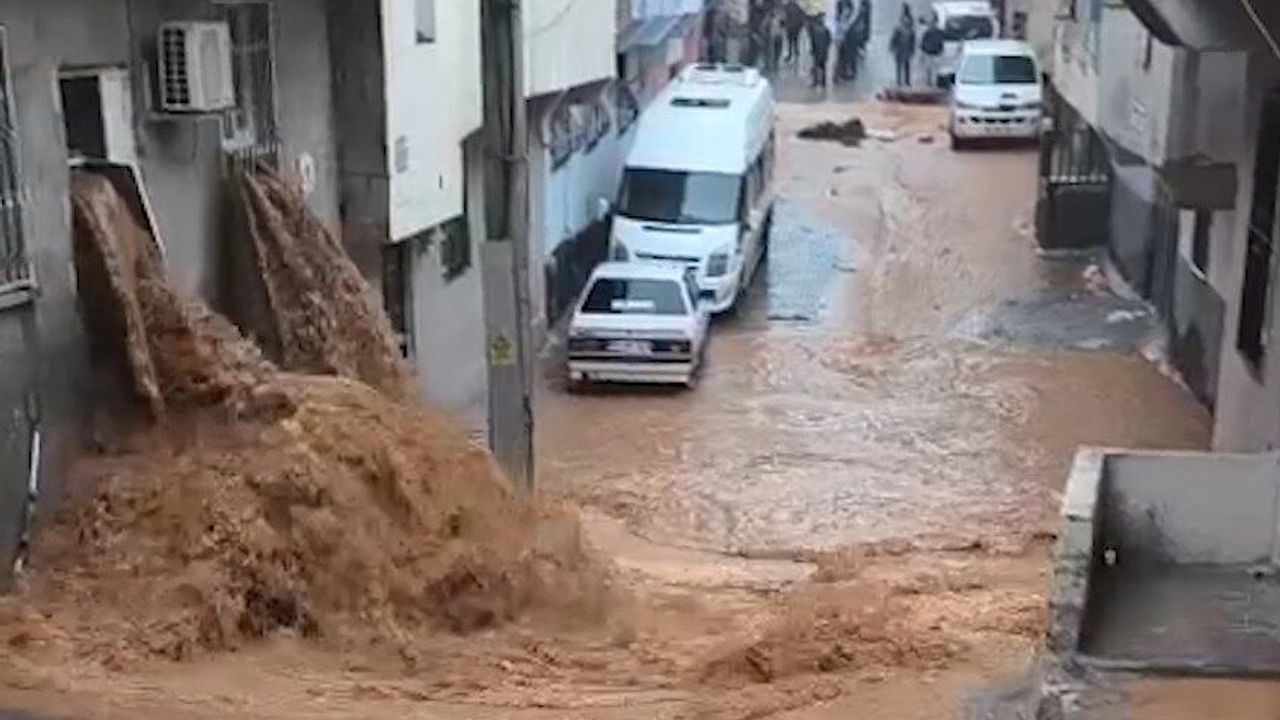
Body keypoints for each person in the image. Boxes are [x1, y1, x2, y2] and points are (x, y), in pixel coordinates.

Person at [889, 15, 916, 87]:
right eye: (905, 20)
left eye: (907, 20)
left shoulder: (911, 31)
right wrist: (892, 48)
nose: (906, 22)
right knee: (899, 66)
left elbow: (912, 42)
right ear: (902, 21)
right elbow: (893, 39)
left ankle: (907, 81)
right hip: (899, 50)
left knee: (907, 66)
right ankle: (899, 81)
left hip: (907, 50)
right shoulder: (898, 30)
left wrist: (912, 50)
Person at [920, 14, 945, 87]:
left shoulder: (937, 32)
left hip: (935, 53)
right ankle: (930, 81)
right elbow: (923, 42)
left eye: (933, 22)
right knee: (931, 68)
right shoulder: (929, 32)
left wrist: (941, 49)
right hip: (931, 53)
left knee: (934, 68)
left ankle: (933, 81)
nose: (932, 24)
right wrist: (923, 51)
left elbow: (942, 42)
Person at [809, 16, 832, 90]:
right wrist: (826, 48)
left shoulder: (814, 30)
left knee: (816, 66)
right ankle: (823, 82)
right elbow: (829, 41)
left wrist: (812, 50)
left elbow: (812, 42)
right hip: (824, 52)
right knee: (823, 67)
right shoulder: (826, 30)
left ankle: (815, 82)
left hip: (816, 52)